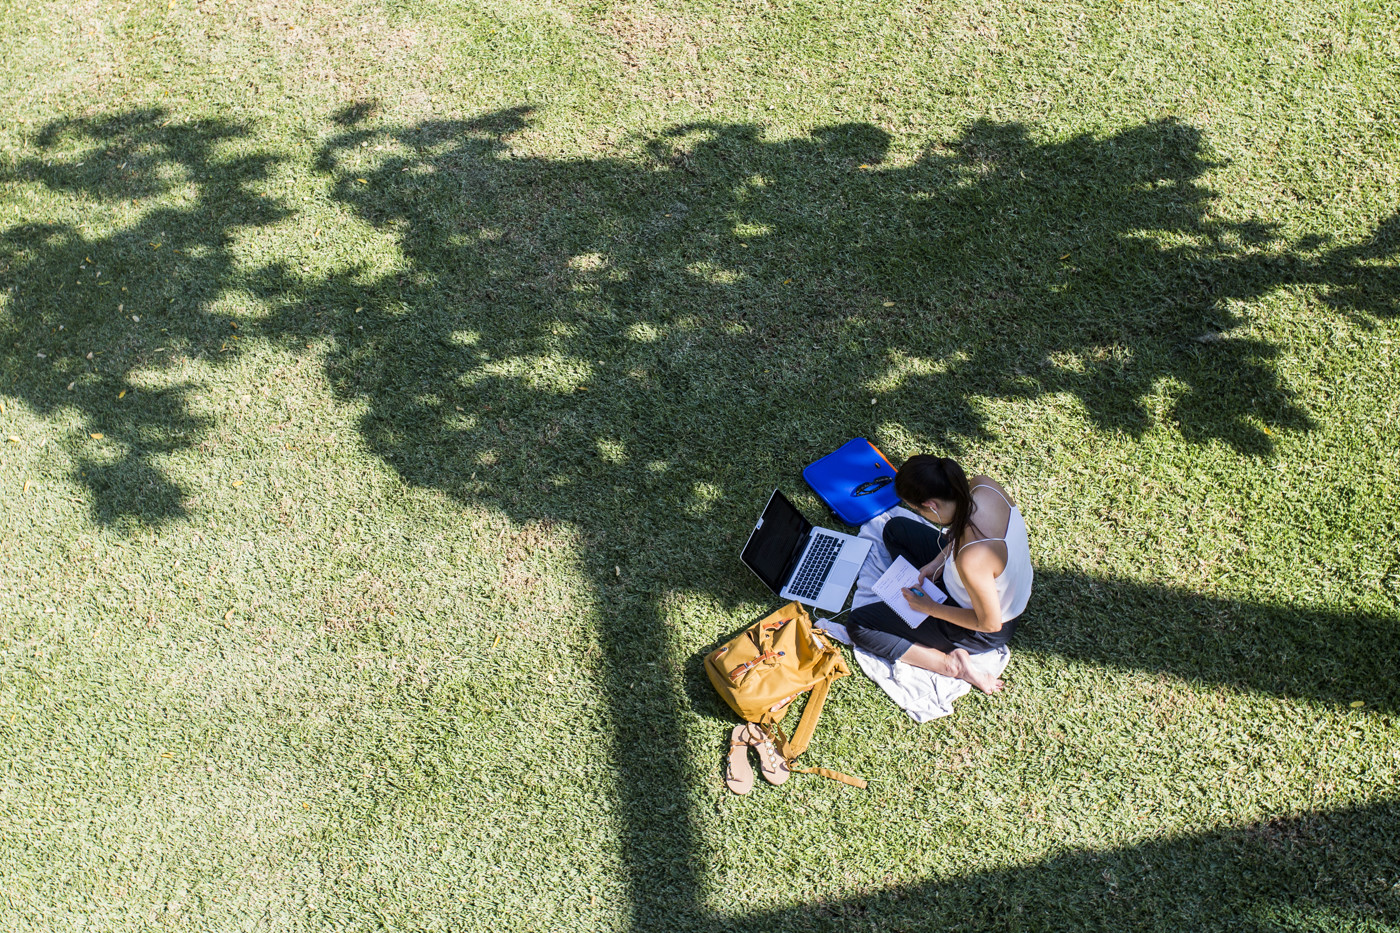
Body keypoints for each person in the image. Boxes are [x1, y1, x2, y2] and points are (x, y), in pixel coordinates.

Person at [847, 455, 1032, 694]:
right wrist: (937, 562)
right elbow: (961, 535)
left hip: (983, 626)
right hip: (989, 584)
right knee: (895, 529)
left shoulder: (971, 560)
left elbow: (990, 623)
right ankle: (931, 591)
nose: (921, 515)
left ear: (931, 505)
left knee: (860, 625)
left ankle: (951, 664)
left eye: (918, 510)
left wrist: (930, 607)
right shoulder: (982, 485)